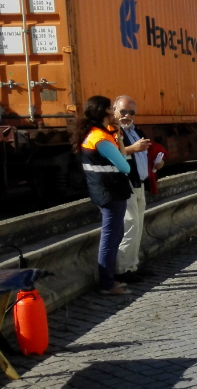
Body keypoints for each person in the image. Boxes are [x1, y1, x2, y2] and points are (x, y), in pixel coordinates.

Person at [73, 96, 133, 296]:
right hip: (111, 193)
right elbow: (125, 166)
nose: (115, 111)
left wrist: (118, 136)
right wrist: (117, 139)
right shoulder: (101, 138)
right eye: (112, 108)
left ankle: (110, 280)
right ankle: (107, 284)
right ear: (105, 112)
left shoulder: (96, 134)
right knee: (110, 237)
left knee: (115, 234)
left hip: (106, 191)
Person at [112, 95, 166, 284]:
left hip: (139, 183)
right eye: (123, 111)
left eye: (131, 112)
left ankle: (132, 265)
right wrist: (133, 149)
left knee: (138, 226)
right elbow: (110, 154)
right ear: (114, 111)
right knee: (130, 226)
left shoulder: (136, 130)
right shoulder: (112, 131)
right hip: (124, 184)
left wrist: (157, 163)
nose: (127, 116)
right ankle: (121, 270)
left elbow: (144, 154)